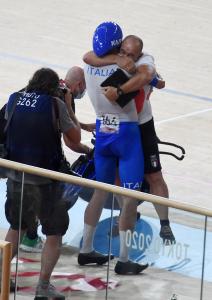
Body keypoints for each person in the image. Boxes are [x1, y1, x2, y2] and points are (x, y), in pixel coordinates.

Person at [78, 22, 154, 275]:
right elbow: (145, 76)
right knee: (129, 199)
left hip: (103, 130)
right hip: (127, 134)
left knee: (100, 192)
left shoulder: (91, 64)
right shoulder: (129, 65)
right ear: (120, 45)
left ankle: (86, 248)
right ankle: (124, 259)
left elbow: (88, 55)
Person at [84, 35, 175, 244]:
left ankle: (165, 224)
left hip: (141, 126)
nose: (125, 56)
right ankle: (128, 213)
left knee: (154, 176)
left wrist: (121, 90)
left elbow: (151, 79)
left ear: (139, 55)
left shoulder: (145, 61)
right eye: (122, 51)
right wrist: (117, 60)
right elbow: (88, 57)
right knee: (116, 177)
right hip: (115, 124)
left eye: (130, 54)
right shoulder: (115, 57)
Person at [4, 68, 81, 298]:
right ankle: (43, 286)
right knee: (54, 233)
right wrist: (67, 104)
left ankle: (1, 277)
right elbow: (74, 139)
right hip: (47, 181)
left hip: (16, 175)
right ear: (53, 87)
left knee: (17, 227)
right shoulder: (55, 105)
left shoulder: (14, 99)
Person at [19, 66, 95, 253]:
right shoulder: (64, 97)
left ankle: (28, 234)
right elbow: (72, 141)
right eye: (84, 86)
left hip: (16, 154)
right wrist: (88, 150)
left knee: (22, 204)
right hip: (41, 159)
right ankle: (33, 234)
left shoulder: (39, 88)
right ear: (79, 84)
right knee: (70, 186)